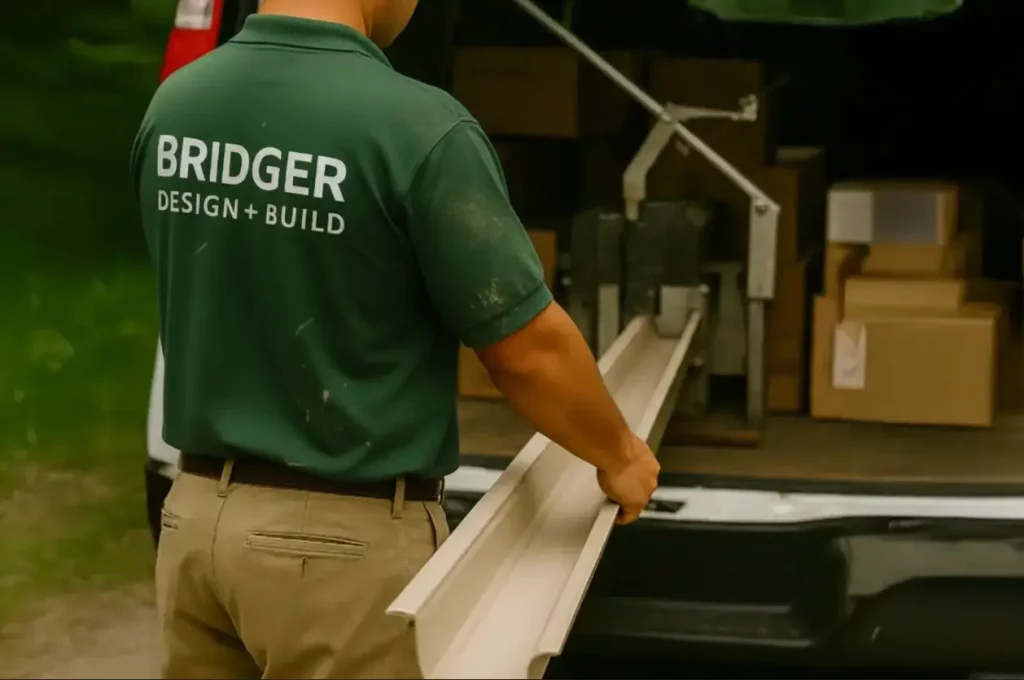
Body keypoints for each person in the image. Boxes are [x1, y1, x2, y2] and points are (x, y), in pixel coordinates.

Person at [130, 0, 660, 677]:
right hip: (337, 554)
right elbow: (526, 349)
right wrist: (617, 453)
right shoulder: (418, 127)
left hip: (193, 525)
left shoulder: (176, 106)